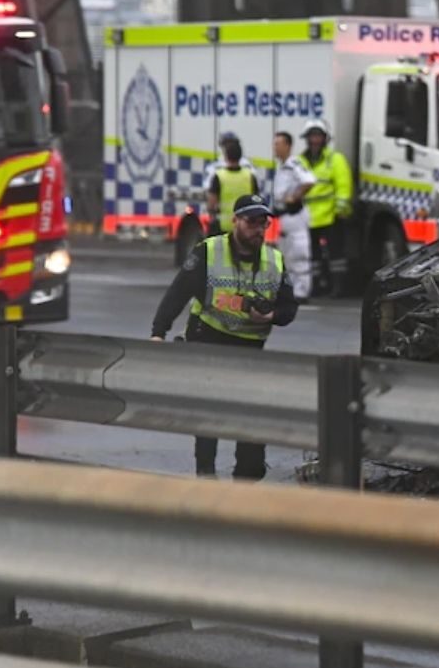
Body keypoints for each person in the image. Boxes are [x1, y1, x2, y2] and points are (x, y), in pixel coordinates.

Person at [150, 193, 299, 478]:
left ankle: (246, 479)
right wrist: (159, 332)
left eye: (263, 223)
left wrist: (271, 315)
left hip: (249, 347)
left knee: (251, 415)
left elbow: (290, 309)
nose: (258, 229)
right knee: (210, 410)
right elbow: (178, 293)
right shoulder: (209, 252)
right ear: (235, 221)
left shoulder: (274, 260)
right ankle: (206, 472)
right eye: (251, 222)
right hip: (208, 337)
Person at [298, 119, 353, 296]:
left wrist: (340, 210)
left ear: (325, 139)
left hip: (331, 215)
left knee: (336, 255)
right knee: (312, 255)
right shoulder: (299, 161)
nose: (315, 140)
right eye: (312, 137)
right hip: (308, 216)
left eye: (318, 136)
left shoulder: (335, 159)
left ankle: (338, 287)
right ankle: (315, 286)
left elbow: (343, 185)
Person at [272, 131, 315, 303]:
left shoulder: (294, 164)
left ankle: (302, 292)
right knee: (286, 255)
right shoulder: (281, 167)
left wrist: (295, 196)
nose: (275, 148)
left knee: (299, 254)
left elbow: (309, 181)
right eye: (274, 144)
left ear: (288, 146)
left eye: (278, 144)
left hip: (295, 215)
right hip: (282, 217)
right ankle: (291, 290)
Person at [205, 131, 260, 237]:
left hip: (224, 226)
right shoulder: (250, 173)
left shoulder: (218, 173)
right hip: (246, 226)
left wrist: (211, 214)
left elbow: (211, 201)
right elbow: (257, 199)